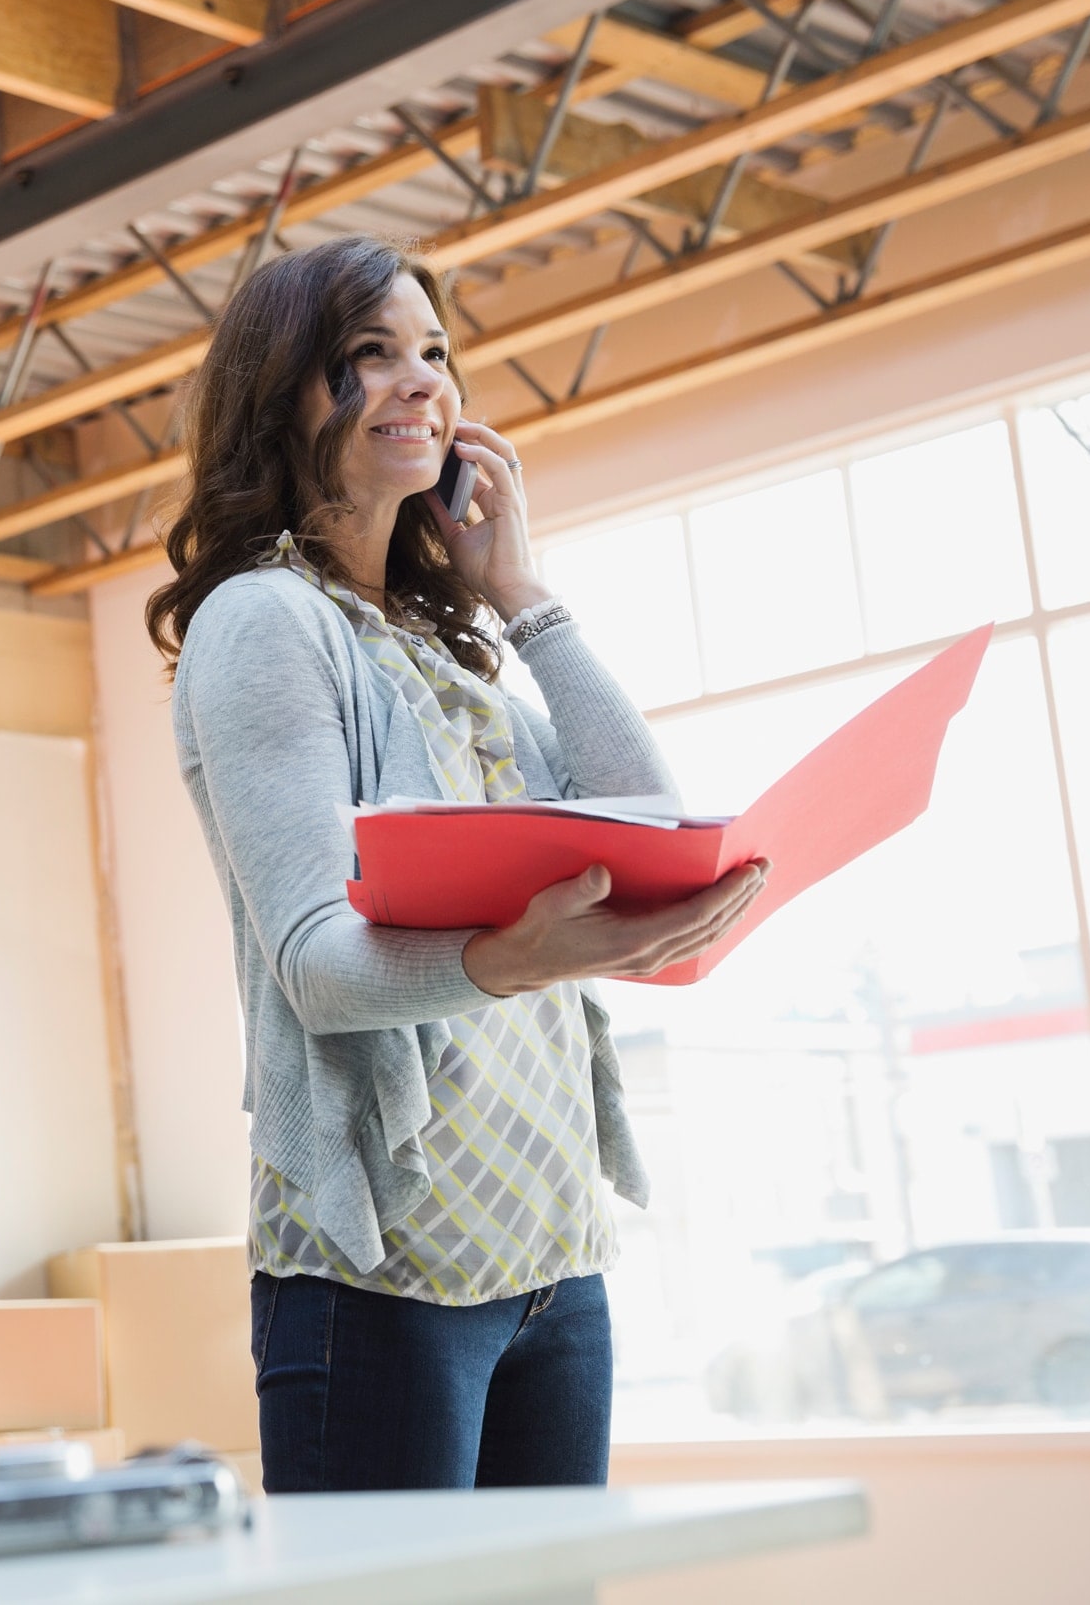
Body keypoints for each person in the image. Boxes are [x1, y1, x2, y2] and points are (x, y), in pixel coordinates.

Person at [148, 233, 768, 1492]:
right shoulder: (262, 620)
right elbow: (319, 963)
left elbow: (639, 816)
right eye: (368, 355)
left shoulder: (444, 653)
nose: (420, 379)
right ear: (281, 391)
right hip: (384, 1276)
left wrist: (523, 596)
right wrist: (514, 956)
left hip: (549, 1255)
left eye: (433, 352)